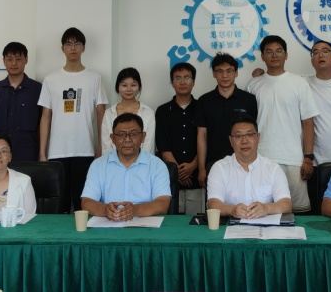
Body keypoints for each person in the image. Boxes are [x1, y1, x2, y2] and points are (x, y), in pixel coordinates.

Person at [38, 27, 108, 212]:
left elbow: (101, 114)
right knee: (59, 206)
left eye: (77, 43)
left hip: (84, 150)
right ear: (62, 48)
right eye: (68, 44)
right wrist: (42, 153)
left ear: (84, 47)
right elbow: (45, 116)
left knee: (82, 204)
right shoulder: (51, 79)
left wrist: (101, 147)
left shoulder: (94, 78)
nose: (73, 48)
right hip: (57, 152)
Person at [247, 35, 320, 212]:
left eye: (279, 51)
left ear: (286, 55)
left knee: (297, 211)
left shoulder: (299, 83)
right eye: (269, 52)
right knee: (262, 209)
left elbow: (308, 123)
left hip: (293, 159)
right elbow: (248, 126)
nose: (274, 55)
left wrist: (308, 158)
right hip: (262, 158)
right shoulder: (253, 85)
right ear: (262, 56)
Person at [81, 113, 171, 222]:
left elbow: (163, 204)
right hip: (109, 225)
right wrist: (105, 210)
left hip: (146, 227)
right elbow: (87, 202)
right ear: (113, 138)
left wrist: (135, 210)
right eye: (121, 135)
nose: (127, 139)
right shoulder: (98, 165)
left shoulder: (157, 165)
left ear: (143, 137)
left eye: (133, 134)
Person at [206, 115, 291, 219]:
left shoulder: (273, 169)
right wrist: (231, 210)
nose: (244, 141)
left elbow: (286, 204)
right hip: (230, 227)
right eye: (238, 136)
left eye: (250, 135)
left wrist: (266, 208)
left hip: (265, 228)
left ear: (258, 137)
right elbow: (213, 203)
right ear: (231, 140)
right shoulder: (219, 168)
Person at [196, 52, 257, 185]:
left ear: (236, 73)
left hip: (244, 163)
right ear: (214, 73)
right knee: (214, 199)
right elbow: (202, 136)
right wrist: (201, 168)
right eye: (220, 71)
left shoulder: (249, 100)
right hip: (213, 163)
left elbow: (253, 134)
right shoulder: (204, 101)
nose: (225, 75)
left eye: (229, 71)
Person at [0, 41, 42, 162]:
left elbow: (44, 123)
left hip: (28, 155)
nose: (14, 63)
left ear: (26, 60)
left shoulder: (37, 89)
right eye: (9, 59)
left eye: (18, 59)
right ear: (4, 61)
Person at [155, 61, 202, 214]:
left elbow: (206, 140)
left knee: (195, 221)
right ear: (172, 82)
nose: (182, 82)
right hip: (169, 180)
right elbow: (163, 145)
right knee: (171, 221)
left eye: (187, 78)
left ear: (193, 82)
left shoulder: (203, 108)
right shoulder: (162, 111)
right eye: (178, 78)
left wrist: (193, 165)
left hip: (196, 179)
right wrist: (177, 172)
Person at [100, 67, 156, 155]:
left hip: (142, 162)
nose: (129, 89)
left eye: (133, 85)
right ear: (117, 87)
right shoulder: (109, 113)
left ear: (139, 87)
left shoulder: (148, 112)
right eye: (124, 85)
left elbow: (149, 145)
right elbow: (106, 146)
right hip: (113, 162)